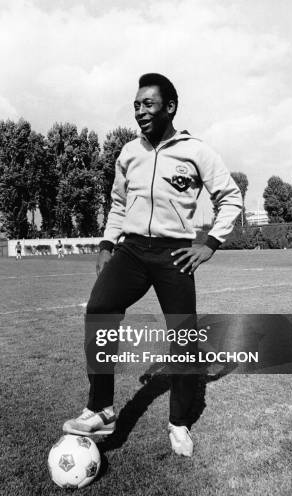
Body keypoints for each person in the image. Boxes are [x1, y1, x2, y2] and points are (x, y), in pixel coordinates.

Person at [63, 73, 242, 457]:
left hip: (174, 253)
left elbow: (231, 197)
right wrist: (108, 243)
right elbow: (117, 203)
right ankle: (101, 408)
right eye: (136, 106)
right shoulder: (128, 153)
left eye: (148, 104)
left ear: (170, 107)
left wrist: (209, 243)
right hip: (131, 251)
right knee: (99, 310)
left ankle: (179, 424)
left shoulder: (197, 152)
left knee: (183, 338)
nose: (140, 112)